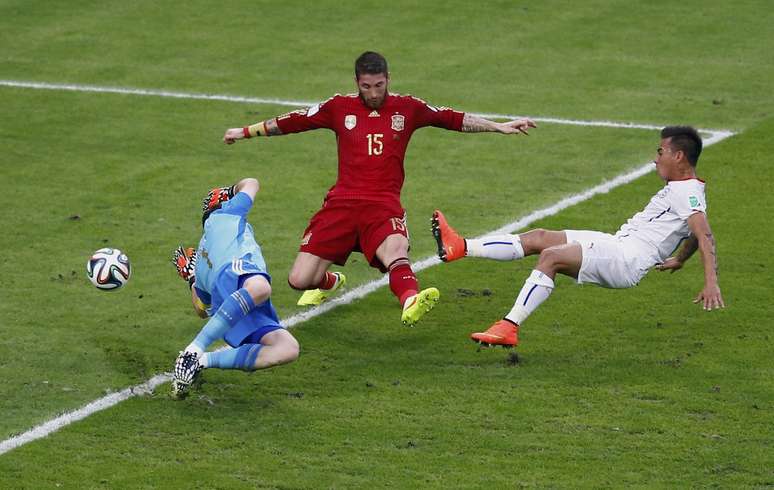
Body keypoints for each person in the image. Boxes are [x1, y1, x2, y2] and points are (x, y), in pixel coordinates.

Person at [222, 51, 536, 327]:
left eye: (379, 85)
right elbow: (292, 121)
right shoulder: (338, 107)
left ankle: (411, 300)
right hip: (341, 204)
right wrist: (244, 131)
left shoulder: (408, 108)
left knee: (395, 252)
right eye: (366, 86)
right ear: (356, 82)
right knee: (299, 280)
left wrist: (498, 125)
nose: (373, 93)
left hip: (382, 203)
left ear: (388, 79)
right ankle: (330, 283)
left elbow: (452, 118)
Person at [432, 126, 724, 348]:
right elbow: (696, 233)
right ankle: (460, 247)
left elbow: (704, 234)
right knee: (540, 237)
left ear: (678, 155)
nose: (655, 158)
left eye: (660, 152)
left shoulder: (687, 192)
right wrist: (680, 260)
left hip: (626, 260)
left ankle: (509, 326)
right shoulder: (689, 191)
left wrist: (710, 282)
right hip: (617, 244)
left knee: (552, 257)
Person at [170, 177, 299, 399]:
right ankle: (193, 351)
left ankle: (201, 362)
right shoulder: (226, 213)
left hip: (232, 305)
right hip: (238, 276)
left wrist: (191, 278)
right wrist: (230, 190)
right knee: (261, 287)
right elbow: (252, 182)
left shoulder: (200, 263)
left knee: (288, 348)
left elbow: (201, 308)